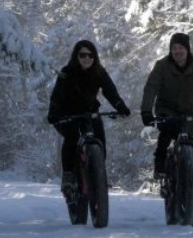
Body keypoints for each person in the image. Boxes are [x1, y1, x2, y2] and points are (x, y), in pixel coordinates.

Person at [141, 32, 193, 216]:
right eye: (174, 48)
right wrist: (146, 111)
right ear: (170, 50)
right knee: (166, 132)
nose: (177, 51)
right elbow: (151, 88)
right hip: (167, 111)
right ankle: (160, 163)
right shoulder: (162, 66)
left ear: (187, 49)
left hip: (190, 115)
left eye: (181, 48)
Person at [47, 40, 131, 198]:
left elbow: (110, 92)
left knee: (99, 139)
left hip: (90, 113)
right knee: (72, 138)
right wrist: (53, 114)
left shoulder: (99, 72)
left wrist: (121, 107)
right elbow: (57, 96)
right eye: (83, 55)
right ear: (76, 56)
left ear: (95, 57)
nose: (87, 58)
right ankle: (68, 176)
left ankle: (99, 177)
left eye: (90, 55)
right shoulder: (67, 72)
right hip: (68, 114)